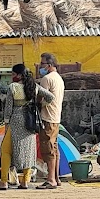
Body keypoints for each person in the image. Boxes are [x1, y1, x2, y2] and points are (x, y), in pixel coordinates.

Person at [3, 63, 52, 190]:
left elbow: (8, 109)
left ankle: (3, 181)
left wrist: (6, 124)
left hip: (16, 120)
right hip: (30, 121)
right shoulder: (34, 86)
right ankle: (25, 181)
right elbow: (50, 97)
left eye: (13, 74)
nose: (12, 77)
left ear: (19, 75)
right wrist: (40, 105)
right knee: (28, 151)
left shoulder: (13, 87)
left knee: (6, 150)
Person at [36, 53, 66, 189]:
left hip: (47, 117)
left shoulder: (46, 79)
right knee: (54, 148)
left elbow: (46, 98)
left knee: (48, 149)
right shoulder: (59, 78)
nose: (40, 66)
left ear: (48, 65)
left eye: (42, 64)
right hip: (56, 117)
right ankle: (56, 177)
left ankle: (51, 179)